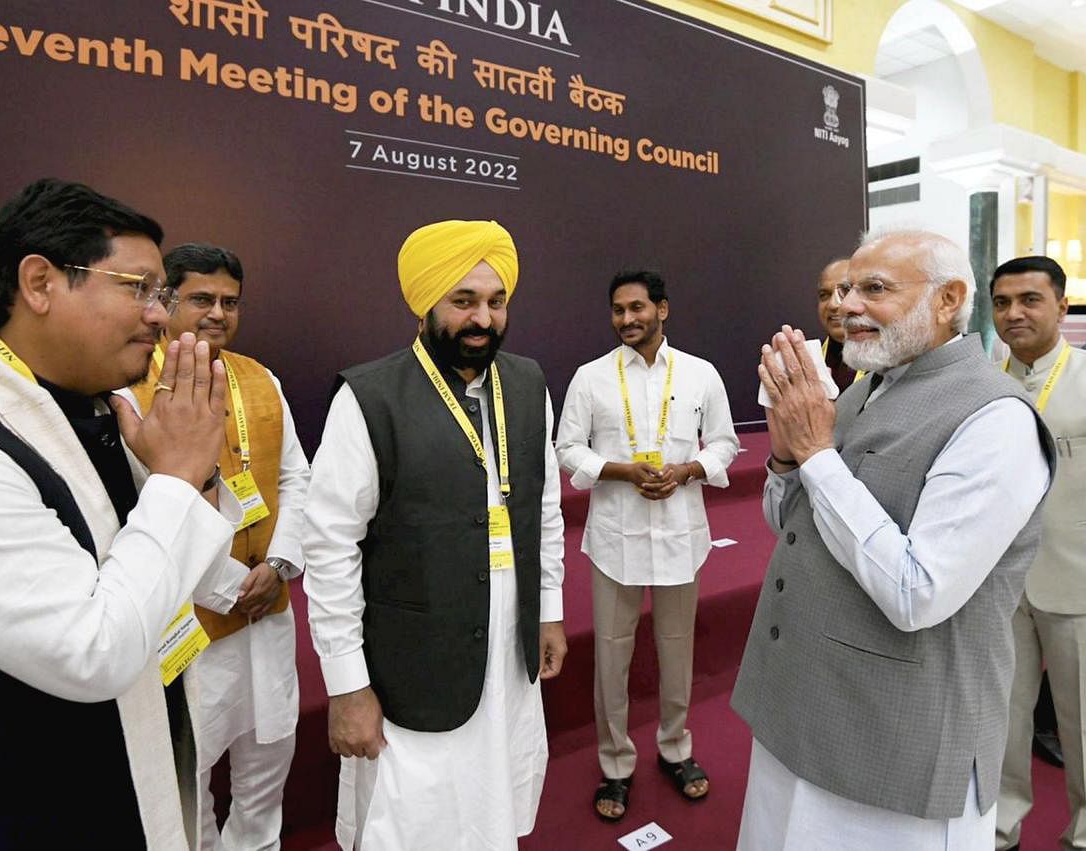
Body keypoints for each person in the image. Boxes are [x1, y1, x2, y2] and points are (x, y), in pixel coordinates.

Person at [0, 178, 241, 849]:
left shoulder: (97, 414)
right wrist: (173, 477)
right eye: (137, 288)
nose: (162, 316)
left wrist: (183, 476)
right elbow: (92, 650)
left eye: (160, 293)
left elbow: (185, 580)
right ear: (40, 282)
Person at [732, 228, 1055, 849]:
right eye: (847, 288)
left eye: (874, 289)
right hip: (801, 708)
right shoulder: (864, 391)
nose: (846, 305)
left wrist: (817, 454)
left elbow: (918, 593)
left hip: (895, 739)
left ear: (947, 299)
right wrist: (783, 455)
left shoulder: (998, 419)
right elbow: (795, 529)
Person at [302, 219, 567, 850]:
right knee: (414, 820)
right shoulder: (369, 397)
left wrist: (549, 611)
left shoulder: (528, 384)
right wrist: (346, 686)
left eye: (496, 301)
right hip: (413, 667)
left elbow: (545, 507)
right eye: (464, 301)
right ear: (426, 303)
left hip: (508, 654)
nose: (483, 319)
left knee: (495, 803)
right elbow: (330, 547)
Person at [118, 243, 311, 850]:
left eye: (230, 301)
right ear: (166, 301)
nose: (218, 313)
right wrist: (231, 587)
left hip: (268, 608)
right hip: (192, 621)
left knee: (269, 753)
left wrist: (278, 566)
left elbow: (295, 480)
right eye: (202, 298)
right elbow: (144, 506)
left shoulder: (261, 378)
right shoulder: (129, 393)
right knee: (193, 769)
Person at [555, 269, 739, 821]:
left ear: (662, 309)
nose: (626, 319)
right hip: (616, 539)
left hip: (682, 537)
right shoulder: (590, 377)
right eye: (617, 310)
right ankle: (615, 764)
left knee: (677, 650)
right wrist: (619, 471)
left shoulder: (701, 373)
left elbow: (727, 443)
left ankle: (675, 750)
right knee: (611, 658)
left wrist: (687, 470)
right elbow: (567, 448)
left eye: (637, 308)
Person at [991, 255, 1086, 851]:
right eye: (1002, 303)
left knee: (1082, 722)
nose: (1014, 313)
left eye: (1030, 299)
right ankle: (999, 828)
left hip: (1076, 577)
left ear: (1063, 306)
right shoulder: (984, 382)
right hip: (999, 582)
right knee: (1000, 719)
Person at [816, 257, 862, 391]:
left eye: (844, 292)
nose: (832, 304)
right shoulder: (804, 362)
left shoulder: (892, 365)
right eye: (824, 295)